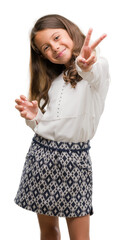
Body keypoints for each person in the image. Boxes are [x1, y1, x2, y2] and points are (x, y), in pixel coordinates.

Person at [14, 14, 110, 240]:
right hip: (41, 156)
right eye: (46, 47)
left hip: (74, 162)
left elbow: (91, 72)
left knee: (79, 236)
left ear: (69, 31)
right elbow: (50, 127)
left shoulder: (97, 68)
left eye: (57, 37)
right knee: (48, 230)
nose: (55, 48)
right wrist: (35, 117)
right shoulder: (56, 81)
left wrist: (85, 64)